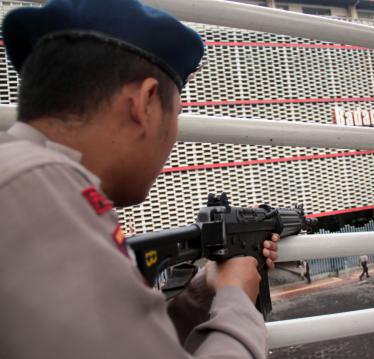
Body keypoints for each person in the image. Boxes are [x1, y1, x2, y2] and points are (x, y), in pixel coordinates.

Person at [0, 1, 280, 358]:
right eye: (177, 112)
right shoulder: (40, 197)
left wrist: (206, 289)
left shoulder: (30, 184)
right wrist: (237, 299)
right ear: (145, 102)